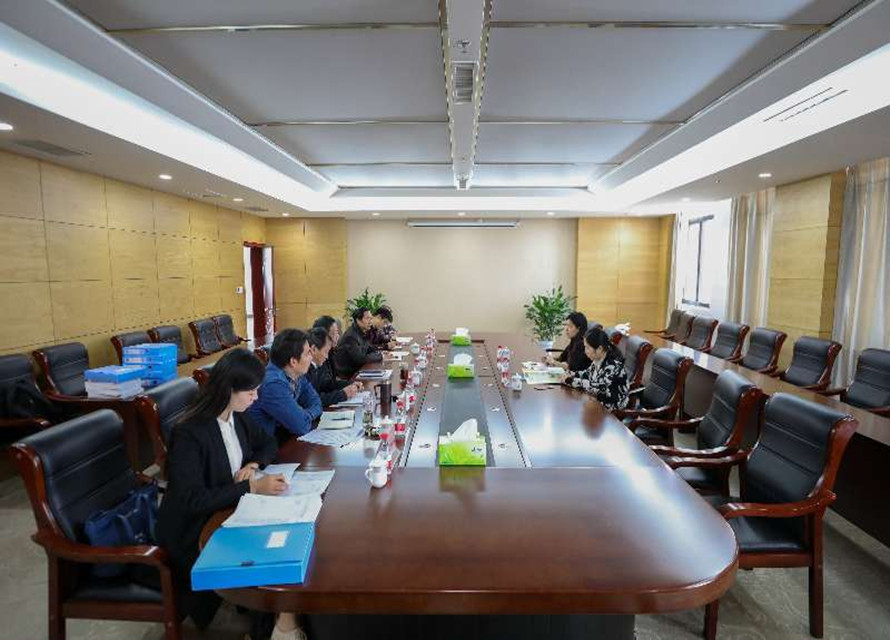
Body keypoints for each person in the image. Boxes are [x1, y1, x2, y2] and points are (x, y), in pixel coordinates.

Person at [155, 349, 286, 630]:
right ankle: (265, 626)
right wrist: (251, 486)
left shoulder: (236, 415)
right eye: (251, 391)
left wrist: (253, 464)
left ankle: (273, 618)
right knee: (265, 554)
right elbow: (193, 500)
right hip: (194, 529)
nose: (256, 397)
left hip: (228, 510)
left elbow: (268, 442)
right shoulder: (189, 433)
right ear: (228, 390)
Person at [248, 328, 322, 441]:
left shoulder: (296, 373)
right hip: (264, 447)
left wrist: (304, 414)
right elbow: (301, 426)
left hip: (282, 439)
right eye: (308, 353)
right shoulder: (273, 385)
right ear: (293, 361)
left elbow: (316, 403)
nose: (311, 357)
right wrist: (306, 415)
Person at [564, 327, 629, 411]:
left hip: (611, 409)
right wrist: (570, 374)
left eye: (588, 348)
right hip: (596, 402)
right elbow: (587, 374)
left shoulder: (612, 365)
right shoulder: (598, 359)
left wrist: (570, 380)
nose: (585, 351)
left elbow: (597, 387)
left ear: (599, 349)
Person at [306, 327, 362, 408]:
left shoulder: (317, 364)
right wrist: (342, 394)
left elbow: (327, 385)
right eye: (325, 351)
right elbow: (312, 400)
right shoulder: (304, 370)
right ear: (314, 349)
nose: (326, 357)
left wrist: (349, 384)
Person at [332, 307, 383, 378]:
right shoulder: (351, 336)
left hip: (357, 370)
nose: (370, 322)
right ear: (358, 320)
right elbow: (360, 359)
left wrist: (381, 352)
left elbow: (369, 348)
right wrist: (380, 356)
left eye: (371, 318)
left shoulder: (362, 332)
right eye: (367, 318)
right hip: (348, 375)